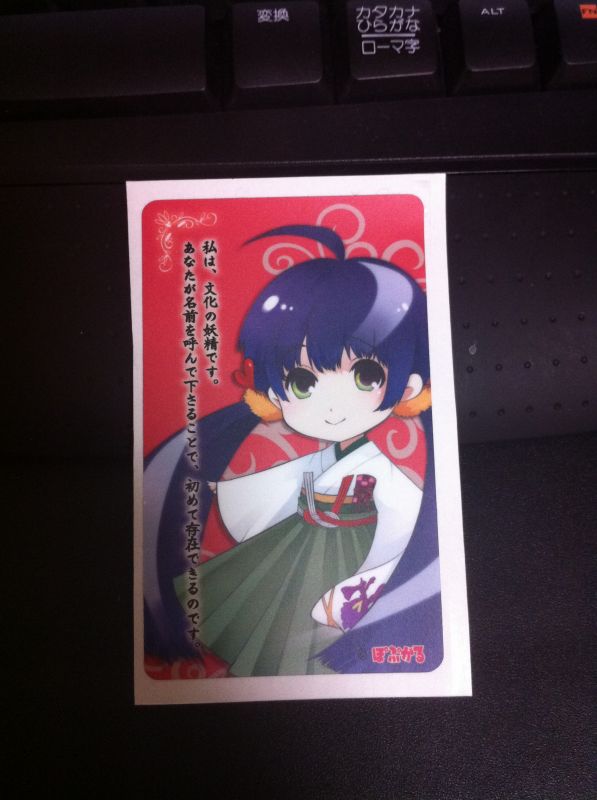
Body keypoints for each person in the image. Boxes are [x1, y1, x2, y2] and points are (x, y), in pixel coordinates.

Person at [144, 225, 442, 676]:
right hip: (296, 540)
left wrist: (360, 585)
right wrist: (228, 490)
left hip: (350, 552)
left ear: (410, 384)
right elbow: (286, 481)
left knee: (317, 641)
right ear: (273, 393)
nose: (332, 406)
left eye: (365, 376)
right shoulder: (320, 457)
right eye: (302, 383)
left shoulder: (383, 469)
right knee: (269, 621)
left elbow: (401, 528)